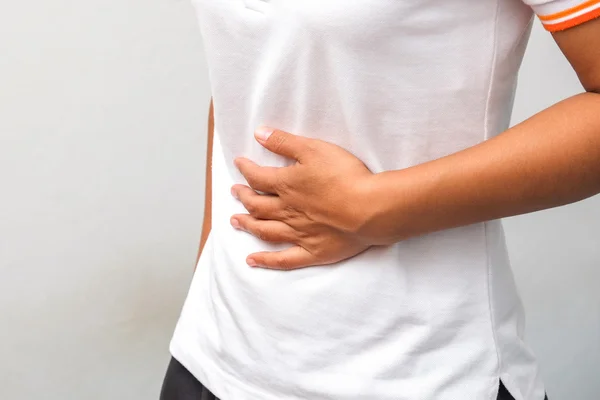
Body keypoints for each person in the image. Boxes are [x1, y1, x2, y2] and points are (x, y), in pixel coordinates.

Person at [161, 0, 600, 399]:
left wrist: (375, 209)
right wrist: (210, 271)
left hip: (417, 372)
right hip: (212, 361)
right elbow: (253, 76)